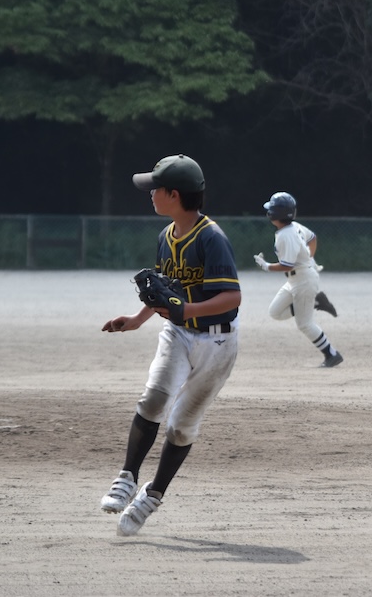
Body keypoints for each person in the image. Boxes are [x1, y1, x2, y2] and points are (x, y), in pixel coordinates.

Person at [99, 154, 241, 536]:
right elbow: (164, 291)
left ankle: (152, 495)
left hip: (218, 342)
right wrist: (138, 318)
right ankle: (127, 477)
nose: (151, 194)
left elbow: (232, 297)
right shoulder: (165, 237)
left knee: (181, 427)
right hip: (177, 333)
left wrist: (186, 309)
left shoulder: (212, 238)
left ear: (174, 195)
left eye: (155, 189)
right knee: (154, 398)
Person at [254, 191, 343, 368]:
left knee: (304, 324)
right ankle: (315, 302)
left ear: (275, 214)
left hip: (304, 280)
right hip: (296, 280)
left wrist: (267, 266)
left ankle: (332, 354)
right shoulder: (293, 227)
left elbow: (287, 265)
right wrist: (308, 258)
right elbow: (312, 238)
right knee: (275, 312)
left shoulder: (286, 235)